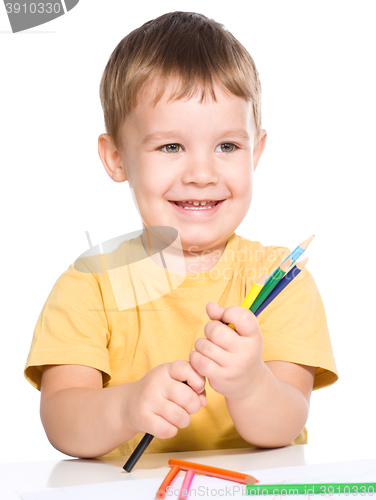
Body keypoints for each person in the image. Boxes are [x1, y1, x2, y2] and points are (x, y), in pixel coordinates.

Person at [24, 11, 338, 459]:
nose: (202, 174)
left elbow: (285, 425)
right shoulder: (88, 285)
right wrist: (127, 407)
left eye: (227, 146)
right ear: (116, 158)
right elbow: (61, 423)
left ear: (257, 152)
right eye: (171, 147)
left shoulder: (281, 281)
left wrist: (249, 385)